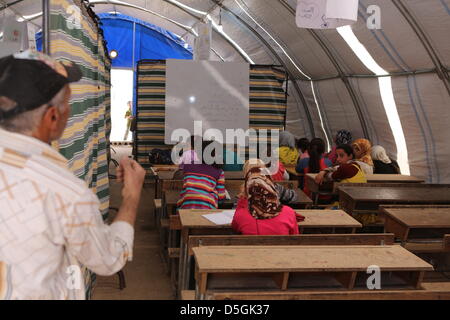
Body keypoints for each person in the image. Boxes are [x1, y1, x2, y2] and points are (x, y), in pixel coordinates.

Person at [0, 50, 146, 300]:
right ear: (52, 116)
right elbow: (108, 259)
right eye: (68, 104)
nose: (69, 112)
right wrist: (131, 196)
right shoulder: (64, 192)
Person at [231, 166, 300, 235]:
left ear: (248, 188)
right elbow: (295, 238)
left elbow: (235, 230)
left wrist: (243, 198)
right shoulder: (289, 213)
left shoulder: (240, 215)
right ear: (271, 186)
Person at [177, 140, 227, 210]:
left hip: (185, 205)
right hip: (207, 207)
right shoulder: (219, 171)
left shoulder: (188, 165)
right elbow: (221, 196)